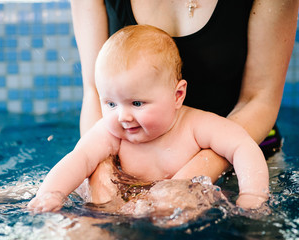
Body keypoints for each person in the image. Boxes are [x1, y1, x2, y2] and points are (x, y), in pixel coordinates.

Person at [28, 25, 269, 213]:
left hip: (179, 211)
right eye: (110, 104)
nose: (123, 116)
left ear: (177, 95)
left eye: (137, 103)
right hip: (122, 208)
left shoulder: (196, 126)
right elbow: (79, 159)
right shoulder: (111, 134)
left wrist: (252, 196)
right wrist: (53, 193)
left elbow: (242, 146)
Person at [70, 0, 299, 182]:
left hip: (242, 153)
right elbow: (94, 90)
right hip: (133, 160)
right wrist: (102, 175)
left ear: (180, 94)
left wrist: (193, 178)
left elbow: (260, 98)